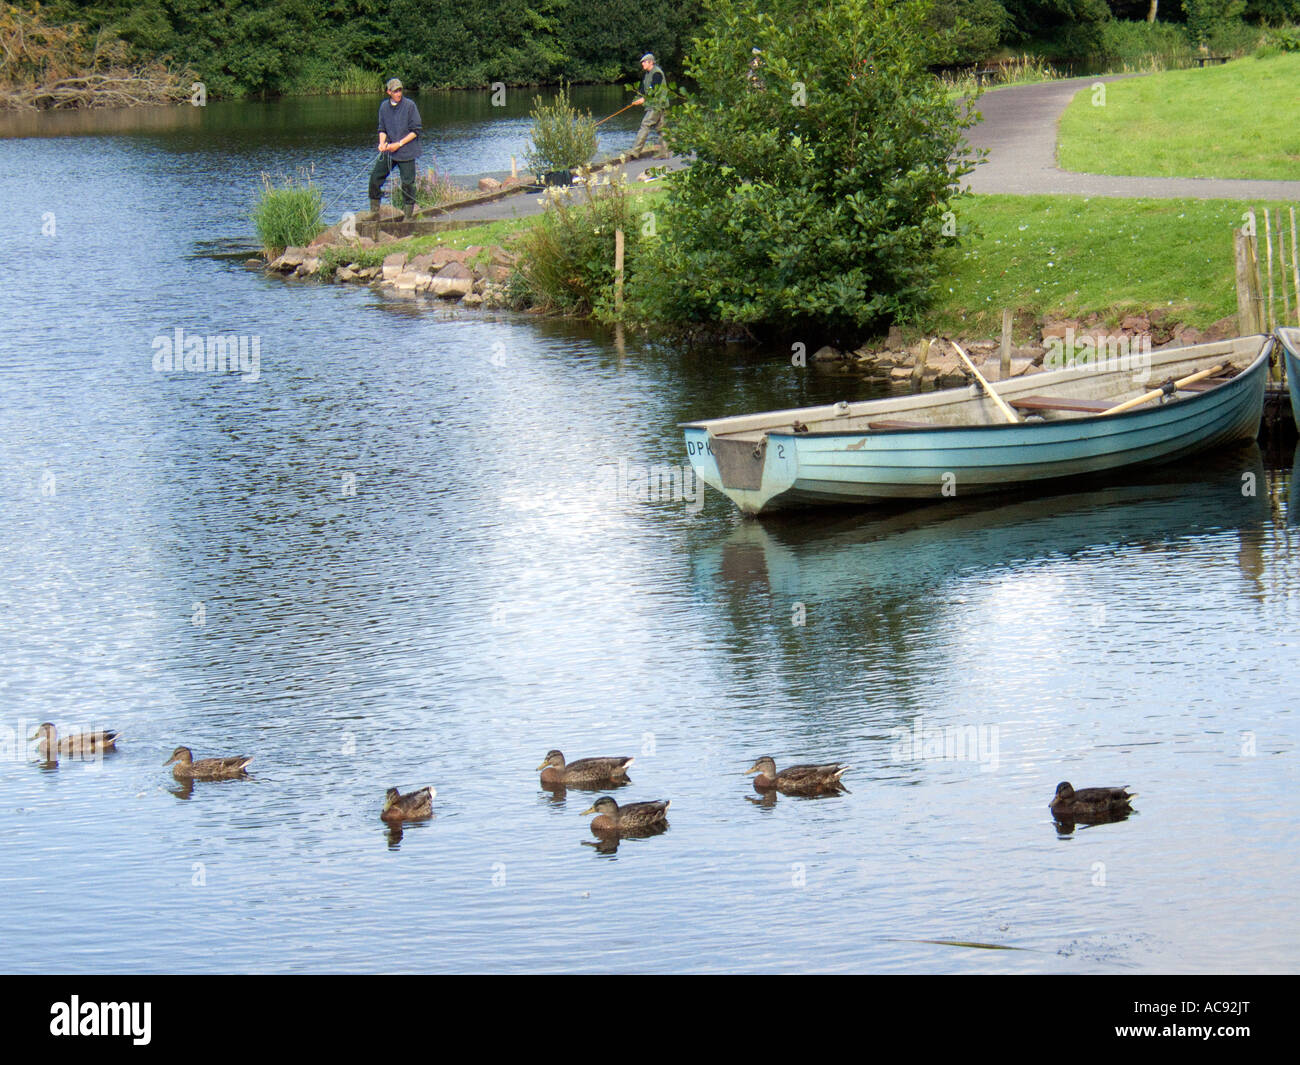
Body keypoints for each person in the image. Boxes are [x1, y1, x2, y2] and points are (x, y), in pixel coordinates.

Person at [368, 78, 423, 219]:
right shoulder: (384, 107)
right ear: (388, 92)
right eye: (395, 91)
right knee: (375, 179)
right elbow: (382, 129)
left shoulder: (410, 106)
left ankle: (408, 216)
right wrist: (382, 143)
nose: (398, 93)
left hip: (407, 150)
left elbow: (416, 131)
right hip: (389, 152)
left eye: (400, 90)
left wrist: (398, 144)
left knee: (407, 184)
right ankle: (374, 212)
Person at [630, 53, 669, 154]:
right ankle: (664, 153)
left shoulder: (657, 73)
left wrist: (644, 99)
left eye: (644, 62)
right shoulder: (647, 74)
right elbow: (642, 89)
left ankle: (635, 151)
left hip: (657, 104)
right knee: (662, 129)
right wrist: (637, 99)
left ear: (651, 62)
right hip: (657, 104)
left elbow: (653, 88)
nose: (642, 64)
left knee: (645, 125)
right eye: (642, 62)